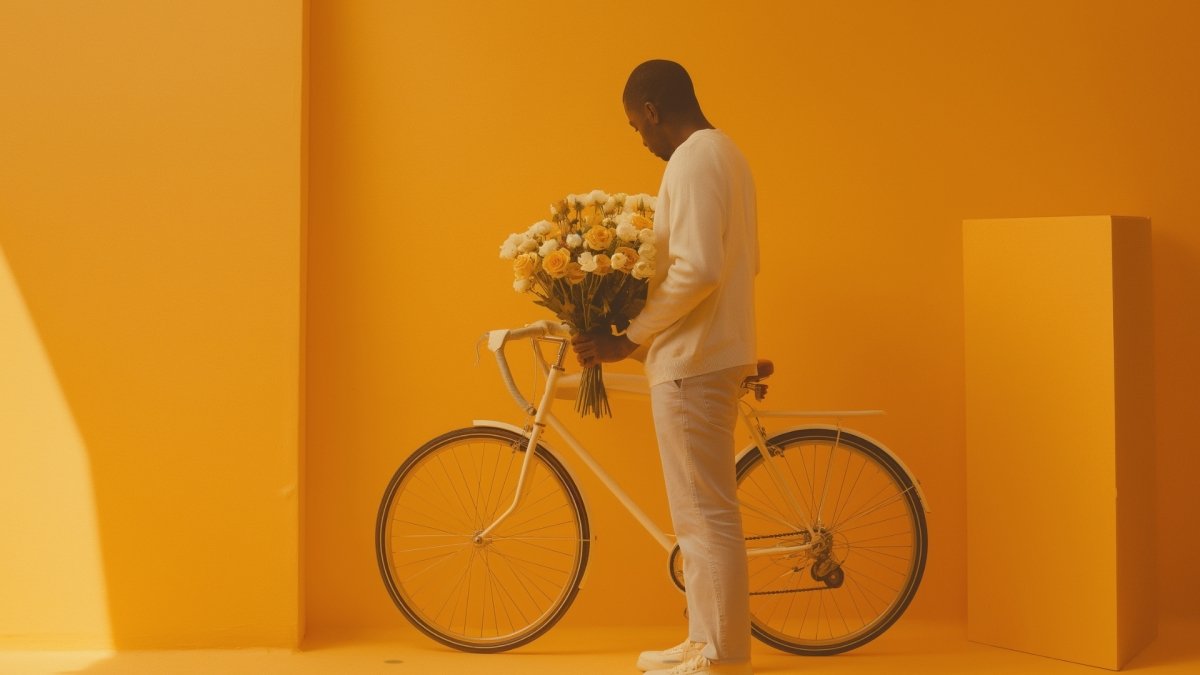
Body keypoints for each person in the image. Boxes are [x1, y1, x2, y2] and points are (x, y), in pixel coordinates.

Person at [571, 59, 758, 675]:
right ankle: (704, 637)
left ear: (652, 110)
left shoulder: (692, 159)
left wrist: (632, 335)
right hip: (713, 350)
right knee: (699, 513)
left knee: (704, 515)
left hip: (693, 361)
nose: (642, 140)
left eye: (636, 126)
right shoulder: (728, 154)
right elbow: (742, 264)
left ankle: (723, 653)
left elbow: (700, 268)